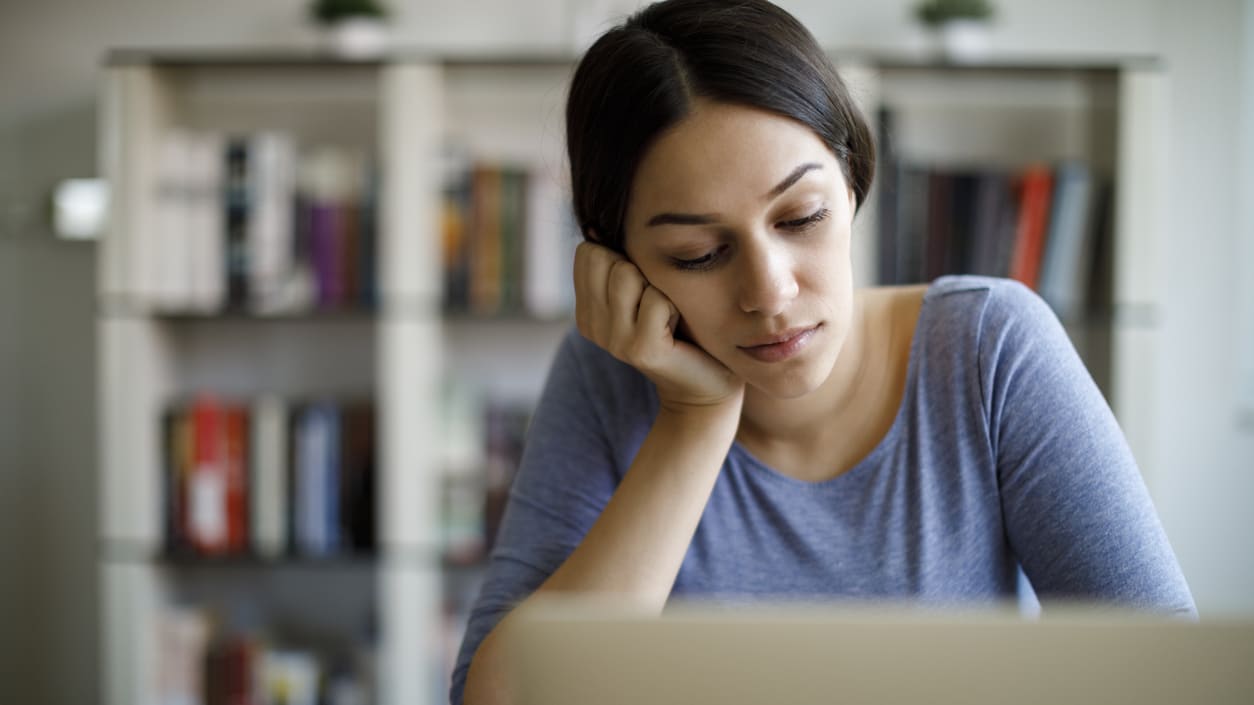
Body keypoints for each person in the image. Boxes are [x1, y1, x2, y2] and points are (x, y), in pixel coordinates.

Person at [451, 1, 1196, 703]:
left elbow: (1174, 679)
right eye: (699, 253)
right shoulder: (606, 381)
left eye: (801, 216)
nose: (770, 292)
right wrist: (694, 415)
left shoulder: (989, 351)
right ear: (622, 265)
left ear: (852, 180)